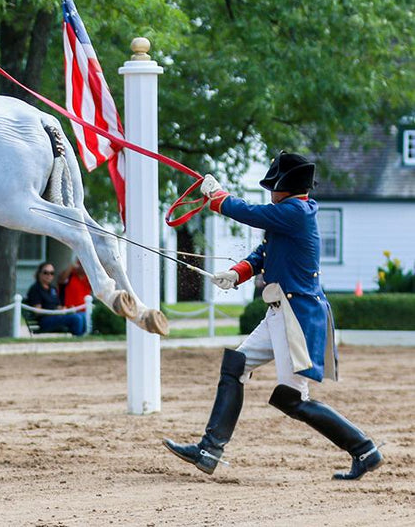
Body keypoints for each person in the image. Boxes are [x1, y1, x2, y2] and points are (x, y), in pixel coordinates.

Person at [162, 152, 383, 481]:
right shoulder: (290, 213)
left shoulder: (295, 210)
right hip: (280, 311)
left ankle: (364, 450)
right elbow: (264, 253)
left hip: (296, 316)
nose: (269, 192)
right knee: (235, 365)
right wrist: (237, 274)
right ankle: (209, 450)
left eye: (272, 187)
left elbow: (251, 213)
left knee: (293, 400)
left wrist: (219, 197)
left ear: (286, 188)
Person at [26, 262, 86, 336]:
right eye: (46, 273)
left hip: (57, 316)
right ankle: (78, 340)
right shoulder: (35, 289)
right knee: (76, 318)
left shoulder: (52, 289)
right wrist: (55, 311)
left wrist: (67, 309)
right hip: (45, 320)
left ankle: (85, 338)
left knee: (84, 315)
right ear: (39, 273)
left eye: (51, 273)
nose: (49, 275)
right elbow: (38, 311)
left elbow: (57, 305)